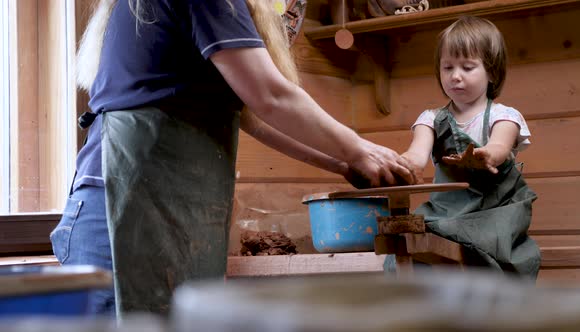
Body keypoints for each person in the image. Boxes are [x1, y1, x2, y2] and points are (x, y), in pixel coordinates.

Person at [49, 0, 418, 317]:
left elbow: (249, 116)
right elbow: (269, 94)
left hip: (137, 208)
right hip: (114, 214)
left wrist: (343, 164)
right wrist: (358, 149)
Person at [394, 16, 541, 278]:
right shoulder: (430, 120)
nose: (455, 76)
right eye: (447, 67)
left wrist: (489, 155)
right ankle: (420, 307)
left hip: (494, 209)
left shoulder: (504, 116)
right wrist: (403, 163)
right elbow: (417, 153)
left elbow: (500, 145)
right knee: (405, 241)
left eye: (467, 67)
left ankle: (493, 309)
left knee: (488, 252)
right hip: (446, 209)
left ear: (492, 72)